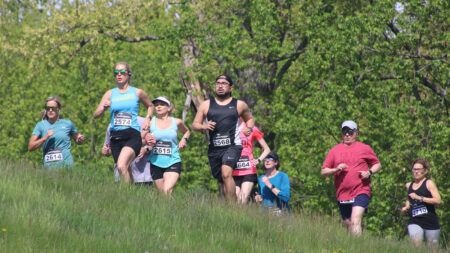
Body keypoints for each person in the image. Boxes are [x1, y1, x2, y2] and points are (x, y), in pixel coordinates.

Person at [192, 75, 254, 201]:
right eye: (218, 83)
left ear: (230, 87)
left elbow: (250, 119)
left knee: (226, 173)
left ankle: (233, 207)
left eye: (224, 83)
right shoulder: (206, 105)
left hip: (233, 146)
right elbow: (195, 125)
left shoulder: (239, 104)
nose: (220, 86)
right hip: (214, 149)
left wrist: (249, 128)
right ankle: (228, 206)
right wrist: (204, 126)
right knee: (222, 179)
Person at [94, 62, 153, 183]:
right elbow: (96, 115)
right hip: (115, 136)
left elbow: (150, 106)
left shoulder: (137, 92)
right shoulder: (110, 93)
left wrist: (148, 118)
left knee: (121, 165)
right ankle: (133, 195)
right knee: (125, 169)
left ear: (129, 74)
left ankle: (126, 195)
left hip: (132, 134)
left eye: (122, 72)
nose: (119, 75)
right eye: (116, 72)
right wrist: (103, 108)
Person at [321, 120, 381, 236]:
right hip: (342, 193)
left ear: (356, 133)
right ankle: (359, 244)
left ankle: (358, 248)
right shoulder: (334, 151)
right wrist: (336, 169)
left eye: (350, 131)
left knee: (355, 220)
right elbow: (323, 172)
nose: (347, 134)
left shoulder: (364, 148)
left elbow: (377, 164)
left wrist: (369, 172)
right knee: (349, 224)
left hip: (361, 190)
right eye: (344, 132)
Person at [144, 96, 190, 195]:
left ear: (169, 108)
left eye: (162, 104)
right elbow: (141, 139)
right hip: (156, 162)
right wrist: (147, 139)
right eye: (156, 105)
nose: (158, 107)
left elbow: (187, 131)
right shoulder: (151, 123)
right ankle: (169, 210)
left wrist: (184, 139)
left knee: (166, 191)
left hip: (173, 160)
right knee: (162, 195)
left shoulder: (177, 122)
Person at [29, 96, 84, 168]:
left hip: (67, 166)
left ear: (59, 109)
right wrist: (45, 138)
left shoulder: (68, 124)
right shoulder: (40, 125)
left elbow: (77, 139)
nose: (50, 110)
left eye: (53, 108)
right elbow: (31, 147)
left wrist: (80, 139)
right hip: (49, 169)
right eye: (48, 108)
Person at [401, 158, 441, 249]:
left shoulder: (429, 183)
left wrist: (420, 198)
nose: (416, 172)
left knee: (433, 249)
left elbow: (438, 200)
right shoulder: (409, 185)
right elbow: (409, 198)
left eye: (418, 170)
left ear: (425, 171)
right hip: (414, 221)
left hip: (430, 221)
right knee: (416, 244)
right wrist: (406, 207)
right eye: (414, 169)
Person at [102, 116, 153, 185]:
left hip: (142, 176)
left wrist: (145, 149)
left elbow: (155, 145)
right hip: (121, 175)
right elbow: (109, 147)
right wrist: (107, 151)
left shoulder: (144, 122)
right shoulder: (112, 125)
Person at [233, 119, 270, 204]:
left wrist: (259, 160)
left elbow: (267, 149)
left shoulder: (252, 129)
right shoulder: (231, 127)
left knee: (241, 202)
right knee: (233, 202)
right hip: (234, 169)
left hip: (248, 170)